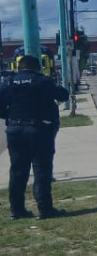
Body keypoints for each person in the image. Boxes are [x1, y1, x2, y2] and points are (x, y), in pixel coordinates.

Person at [0, 55, 69, 219]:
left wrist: (10, 117)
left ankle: (17, 211)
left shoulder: (9, 82)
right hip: (39, 130)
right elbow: (63, 95)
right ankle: (45, 209)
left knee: (17, 171)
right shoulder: (42, 81)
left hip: (15, 129)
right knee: (41, 170)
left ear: (19, 67)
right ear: (37, 67)